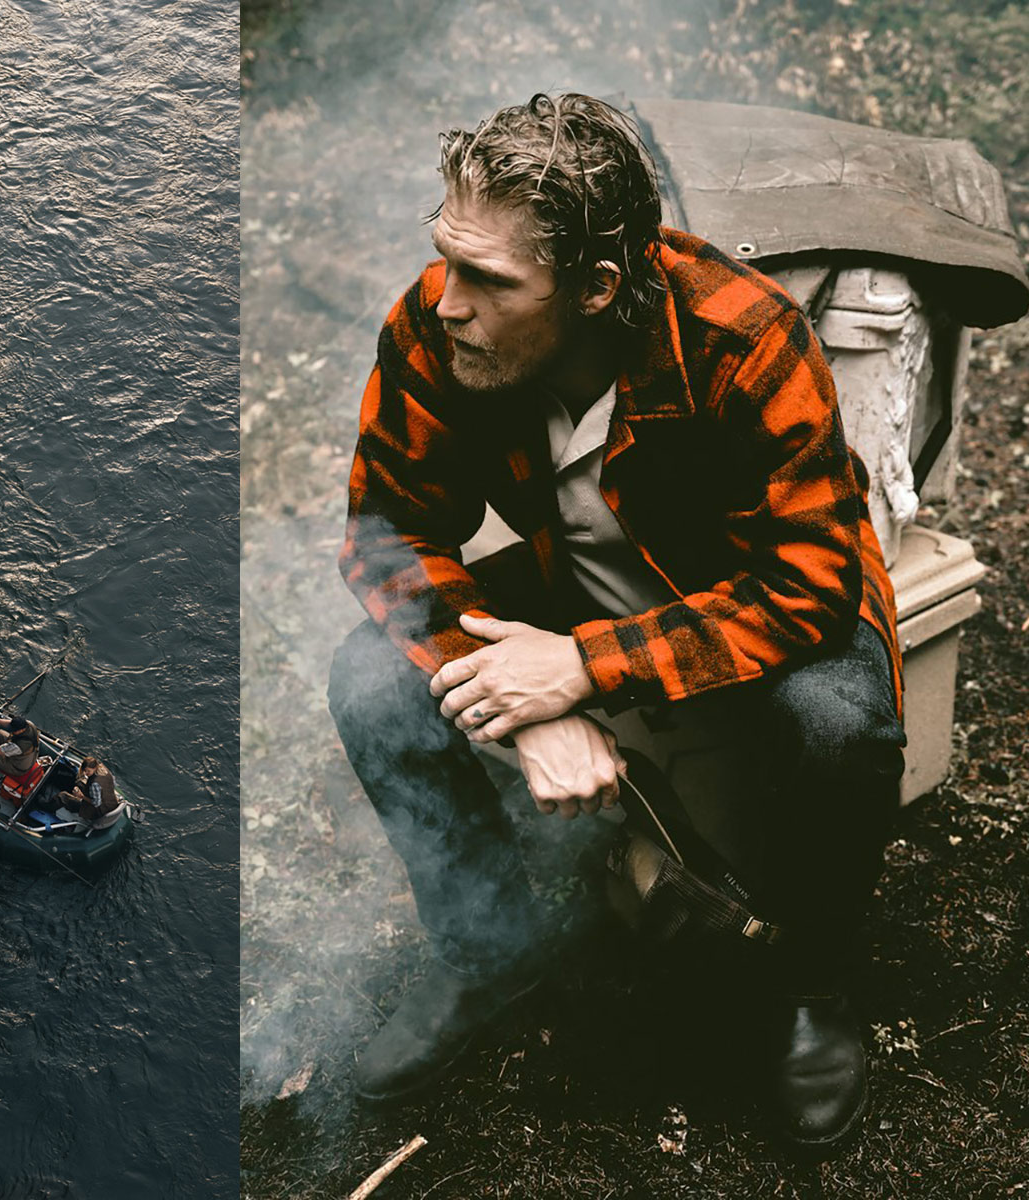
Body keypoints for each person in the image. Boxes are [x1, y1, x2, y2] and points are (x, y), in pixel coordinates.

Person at [327, 92, 904, 1154]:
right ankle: (485, 952)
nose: (449, 302)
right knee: (369, 680)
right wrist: (530, 702)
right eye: (446, 257)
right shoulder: (433, 323)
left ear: (596, 286)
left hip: (742, 598)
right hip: (569, 579)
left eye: (489, 280)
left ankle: (808, 985)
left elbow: (810, 583)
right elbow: (387, 532)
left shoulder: (745, 336)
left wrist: (583, 669)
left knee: (841, 727)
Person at [58, 756, 123, 828]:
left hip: (98, 812)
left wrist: (81, 796)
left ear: (95, 768)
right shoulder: (105, 770)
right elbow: (112, 784)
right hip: (111, 804)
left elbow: (96, 803)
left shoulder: (95, 783)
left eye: (88, 771)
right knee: (79, 783)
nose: (85, 773)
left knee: (62, 796)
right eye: (84, 770)